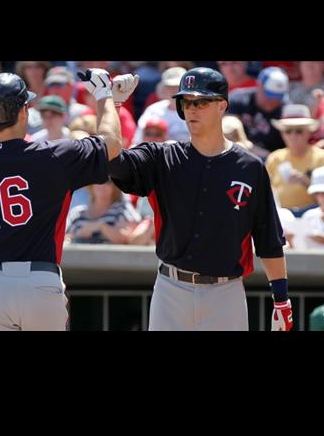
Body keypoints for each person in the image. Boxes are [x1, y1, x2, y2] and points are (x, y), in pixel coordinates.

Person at [0, 69, 139, 331]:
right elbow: (112, 143)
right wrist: (106, 98)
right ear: (24, 110)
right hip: (39, 280)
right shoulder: (54, 155)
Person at [109, 67, 293, 331]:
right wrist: (113, 107)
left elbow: (268, 241)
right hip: (171, 287)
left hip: (225, 292)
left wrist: (281, 300)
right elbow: (115, 164)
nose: (192, 109)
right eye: (186, 102)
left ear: (222, 106)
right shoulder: (163, 158)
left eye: (201, 101)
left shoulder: (249, 167)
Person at [266, 104, 324, 216]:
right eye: (288, 131)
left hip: (314, 215)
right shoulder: (275, 158)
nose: (293, 136)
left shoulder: (323, 158)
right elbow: (266, 193)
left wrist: (305, 183)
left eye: (299, 131)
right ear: (282, 134)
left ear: (309, 132)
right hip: (282, 215)